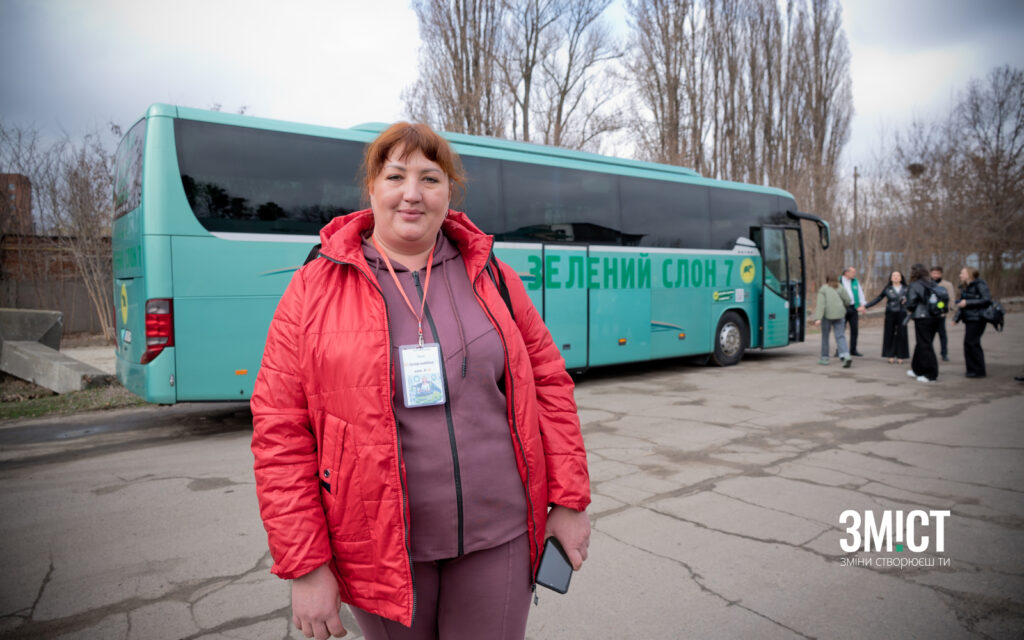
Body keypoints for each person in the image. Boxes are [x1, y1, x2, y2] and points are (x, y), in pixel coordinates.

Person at [251, 122, 591, 640]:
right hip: (378, 548)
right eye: (395, 176)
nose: (412, 194)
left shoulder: (493, 276)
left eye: (430, 179)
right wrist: (305, 564)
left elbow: (549, 385)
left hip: (497, 536)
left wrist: (568, 503)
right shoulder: (312, 288)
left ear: (448, 192)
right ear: (372, 189)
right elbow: (280, 432)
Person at [905, 263, 940, 382]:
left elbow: (911, 303)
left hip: (922, 317)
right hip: (935, 316)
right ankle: (917, 369)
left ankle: (931, 374)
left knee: (925, 344)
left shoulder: (914, 285)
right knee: (923, 343)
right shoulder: (932, 283)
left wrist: (905, 302)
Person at [864, 270, 909, 364]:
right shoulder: (888, 289)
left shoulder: (906, 289)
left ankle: (901, 355)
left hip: (902, 313)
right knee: (889, 334)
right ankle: (890, 355)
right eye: (894, 275)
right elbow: (878, 298)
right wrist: (866, 306)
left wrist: (907, 302)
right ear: (891, 278)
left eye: (898, 275)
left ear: (901, 278)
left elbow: (913, 299)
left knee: (902, 334)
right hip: (890, 313)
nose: (896, 277)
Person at [954, 266, 992, 378]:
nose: (960, 275)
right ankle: (971, 369)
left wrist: (968, 303)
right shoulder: (965, 287)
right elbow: (963, 304)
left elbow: (986, 300)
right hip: (969, 318)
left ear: (969, 274)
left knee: (973, 343)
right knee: (968, 344)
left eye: (962, 273)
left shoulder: (980, 284)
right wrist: (956, 318)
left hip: (978, 318)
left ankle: (979, 370)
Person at [813, 274, 853, 368]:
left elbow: (821, 304)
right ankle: (846, 356)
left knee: (825, 336)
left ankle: (825, 358)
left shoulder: (823, 288)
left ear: (827, 279)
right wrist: (844, 306)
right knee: (840, 336)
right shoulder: (840, 287)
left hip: (827, 315)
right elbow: (848, 300)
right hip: (840, 314)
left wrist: (818, 318)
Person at [840, 267, 867, 356]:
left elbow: (860, 293)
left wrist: (863, 305)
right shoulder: (839, 281)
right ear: (846, 272)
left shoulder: (855, 281)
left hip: (853, 308)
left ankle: (853, 349)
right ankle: (840, 350)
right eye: (853, 272)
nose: (854, 274)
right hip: (842, 308)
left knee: (854, 330)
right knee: (840, 330)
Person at [930, 266, 956, 361]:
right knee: (929, 335)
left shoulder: (946, 285)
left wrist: (947, 311)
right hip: (930, 315)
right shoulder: (928, 284)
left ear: (941, 274)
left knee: (942, 334)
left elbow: (951, 299)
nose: (935, 275)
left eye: (937, 273)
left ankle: (944, 353)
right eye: (934, 273)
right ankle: (929, 353)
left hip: (941, 314)